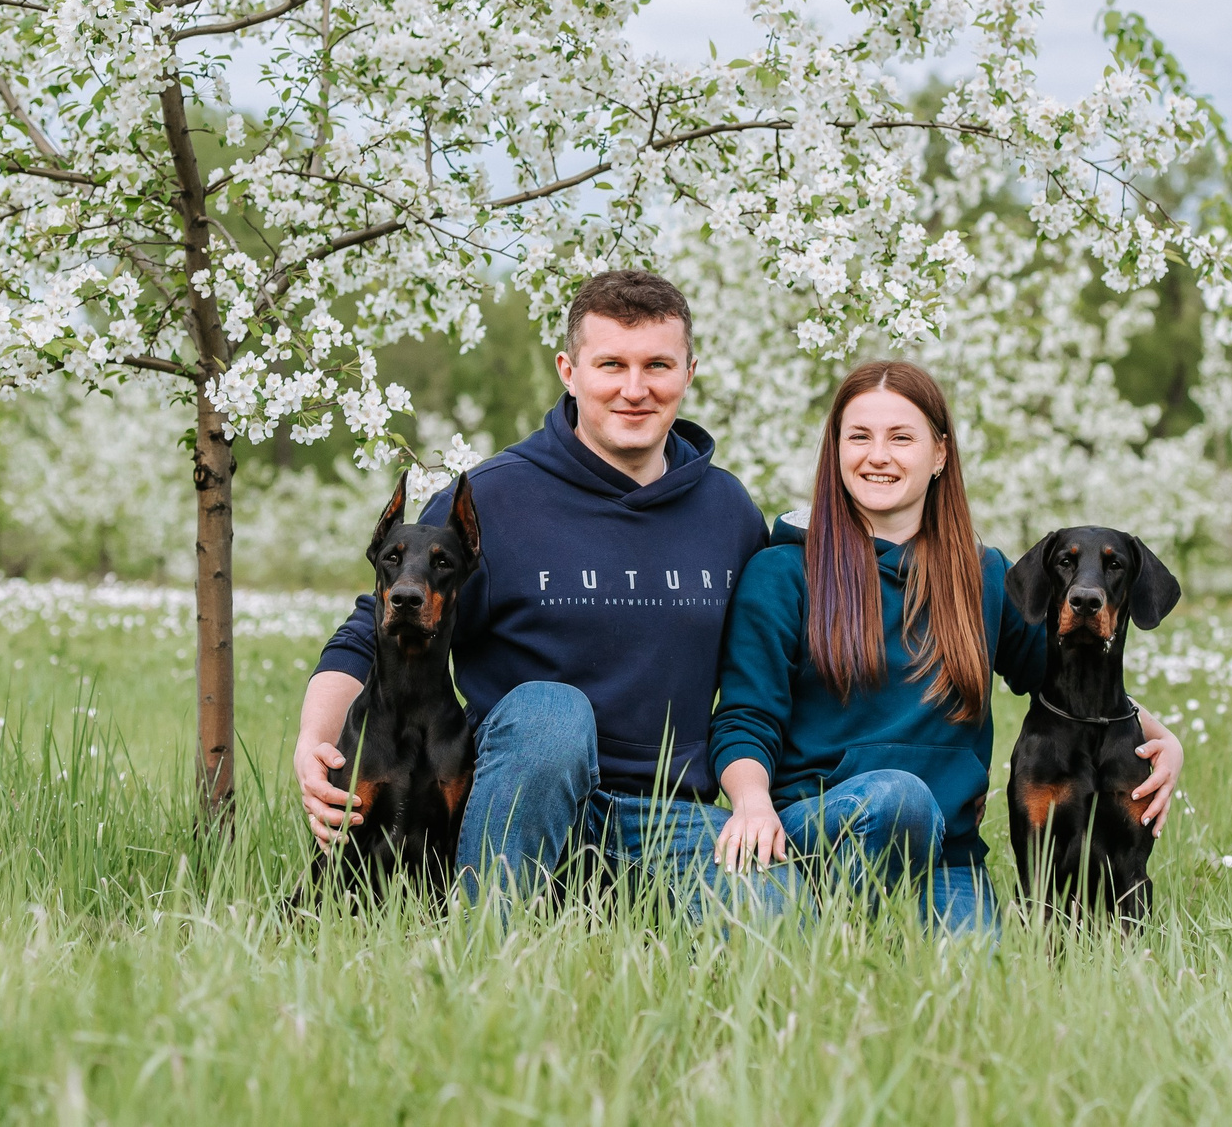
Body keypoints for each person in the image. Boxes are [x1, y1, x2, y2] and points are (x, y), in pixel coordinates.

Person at [294, 269, 937, 905]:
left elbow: (773, 671)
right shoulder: (490, 500)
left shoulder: (728, 511)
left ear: (689, 372)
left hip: (669, 819)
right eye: (611, 365)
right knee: (552, 710)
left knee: (780, 922)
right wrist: (317, 751)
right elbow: (371, 632)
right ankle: (488, 925)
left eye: (657, 365)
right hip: (516, 800)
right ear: (569, 371)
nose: (635, 389)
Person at [707, 360, 1183, 933]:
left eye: (900, 437)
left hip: (945, 859)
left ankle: (859, 925)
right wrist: (752, 804)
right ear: (835, 451)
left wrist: (1160, 739)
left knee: (977, 969)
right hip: (815, 834)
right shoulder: (782, 574)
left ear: (939, 454)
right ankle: (813, 908)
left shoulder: (983, 577)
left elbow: (1061, 676)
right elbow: (744, 719)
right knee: (898, 798)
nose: (877, 455)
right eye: (858, 437)